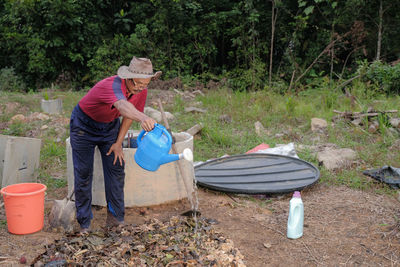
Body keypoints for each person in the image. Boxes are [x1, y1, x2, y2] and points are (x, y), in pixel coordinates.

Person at [69, 56, 161, 234]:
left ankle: (115, 219)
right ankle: (84, 223)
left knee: (116, 167)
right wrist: (144, 118)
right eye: (139, 84)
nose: (142, 88)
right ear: (128, 78)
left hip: (109, 127)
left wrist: (118, 142)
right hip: (84, 126)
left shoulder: (141, 89)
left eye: (146, 84)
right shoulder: (110, 86)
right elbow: (123, 107)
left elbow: (128, 116)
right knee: (83, 173)